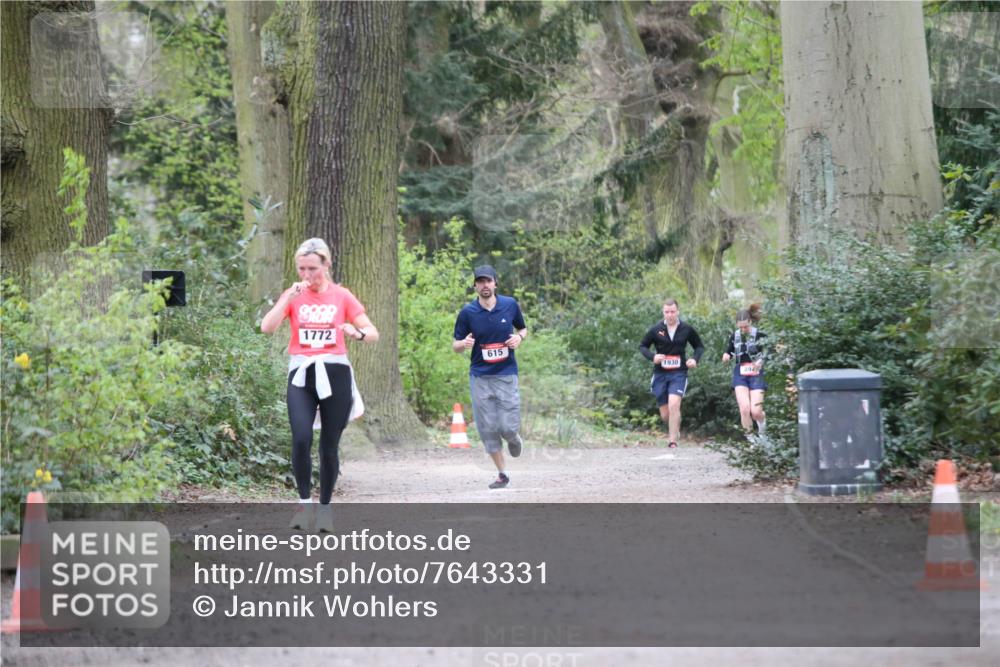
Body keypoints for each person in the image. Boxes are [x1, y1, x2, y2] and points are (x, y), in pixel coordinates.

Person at [260, 238, 378, 532]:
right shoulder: (293, 294)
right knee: (300, 438)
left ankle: (325, 510)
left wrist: (358, 333)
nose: (306, 274)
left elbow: (372, 331)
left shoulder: (342, 296)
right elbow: (267, 327)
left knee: (329, 445)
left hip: (335, 372)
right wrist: (288, 298)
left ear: (326, 266)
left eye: (312, 268)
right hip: (302, 373)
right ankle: (304, 506)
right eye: (301, 268)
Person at [452, 265, 527, 489]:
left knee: (507, 426)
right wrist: (463, 344)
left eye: (488, 281)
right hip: (480, 377)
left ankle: (513, 438)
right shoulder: (468, 312)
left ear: (495, 283)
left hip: (506, 375)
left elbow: (523, 329)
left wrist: (519, 339)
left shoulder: (510, 305)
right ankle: (502, 473)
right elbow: (455, 345)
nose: (485, 285)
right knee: (487, 427)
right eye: (480, 282)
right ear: (475, 286)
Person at [638, 298, 704, 448]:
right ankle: (675, 428)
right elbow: (643, 346)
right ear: (663, 312)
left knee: (674, 404)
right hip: (660, 374)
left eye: (672, 311)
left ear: (678, 312)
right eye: (667, 312)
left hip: (679, 373)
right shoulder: (656, 329)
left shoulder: (687, 329)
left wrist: (694, 359)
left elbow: (699, 347)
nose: (670, 315)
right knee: (665, 415)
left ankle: (672, 441)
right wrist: (653, 357)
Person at [722, 304, 767, 433]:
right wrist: (726, 356)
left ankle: (763, 430)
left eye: (745, 326)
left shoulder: (760, 335)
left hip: (756, 373)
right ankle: (752, 441)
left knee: (756, 411)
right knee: (744, 409)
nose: (743, 329)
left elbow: (769, 352)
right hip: (740, 373)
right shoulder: (734, 336)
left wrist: (761, 361)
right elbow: (729, 352)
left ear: (750, 322)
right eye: (740, 327)